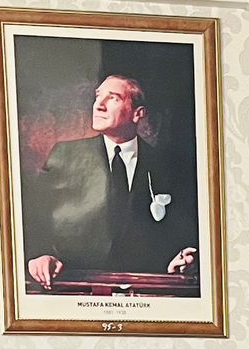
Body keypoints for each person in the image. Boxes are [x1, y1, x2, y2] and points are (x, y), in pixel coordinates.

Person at [23, 73, 200, 289]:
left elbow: (179, 232)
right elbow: (36, 216)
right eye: (98, 96)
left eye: (113, 98)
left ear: (138, 113)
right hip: (77, 286)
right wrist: (40, 254)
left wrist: (180, 258)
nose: (99, 105)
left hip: (145, 289)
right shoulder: (65, 155)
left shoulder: (166, 164)